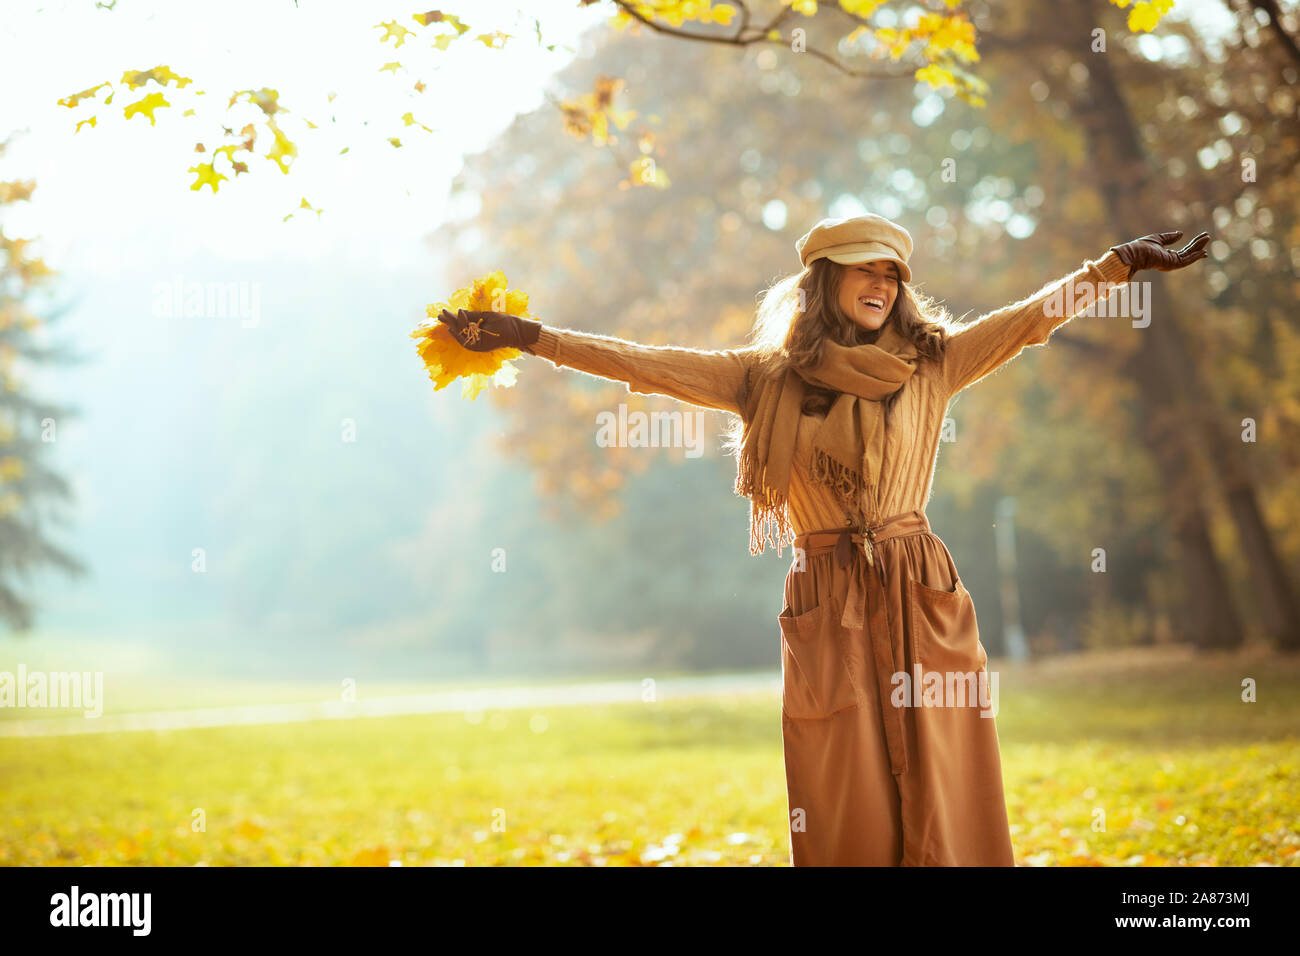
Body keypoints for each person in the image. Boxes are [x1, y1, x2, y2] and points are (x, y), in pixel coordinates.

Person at [436, 214, 1210, 866]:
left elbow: (1033, 319)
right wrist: (531, 337)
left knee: (945, 772)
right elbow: (646, 365)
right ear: (823, 279)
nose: (883, 285)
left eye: (893, 274)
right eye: (863, 270)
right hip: (826, 592)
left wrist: (1118, 266)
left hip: (918, 583)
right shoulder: (760, 379)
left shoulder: (935, 361)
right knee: (846, 783)